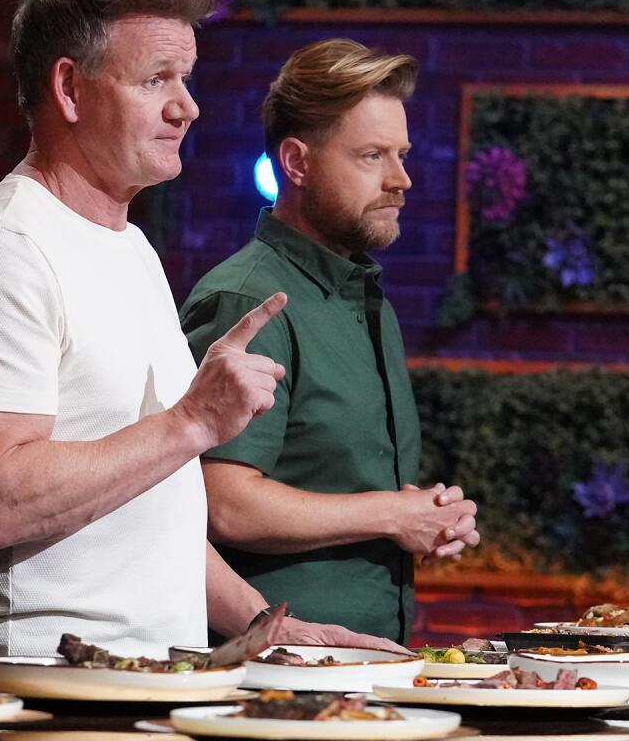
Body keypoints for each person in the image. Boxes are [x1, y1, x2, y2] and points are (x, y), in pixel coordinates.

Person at [0, 0, 407, 680]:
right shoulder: (3, 249)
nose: (188, 107)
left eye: (186, 80)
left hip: (136, 681)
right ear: (70, 88)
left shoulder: (132, 248)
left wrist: (272, 628)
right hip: (32, 685)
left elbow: (155, 508)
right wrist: (192, 424)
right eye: (155, 81)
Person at [179, 38, 479, 643]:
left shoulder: (362, 296)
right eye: (372, 156)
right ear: (296, 163)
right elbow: (224, 503)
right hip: (269, 668)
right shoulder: (250, 299)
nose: (402, 179)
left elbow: (333, 479)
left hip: (362, 662)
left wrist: (425, 514)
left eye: (402, 154)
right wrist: (393, 515)